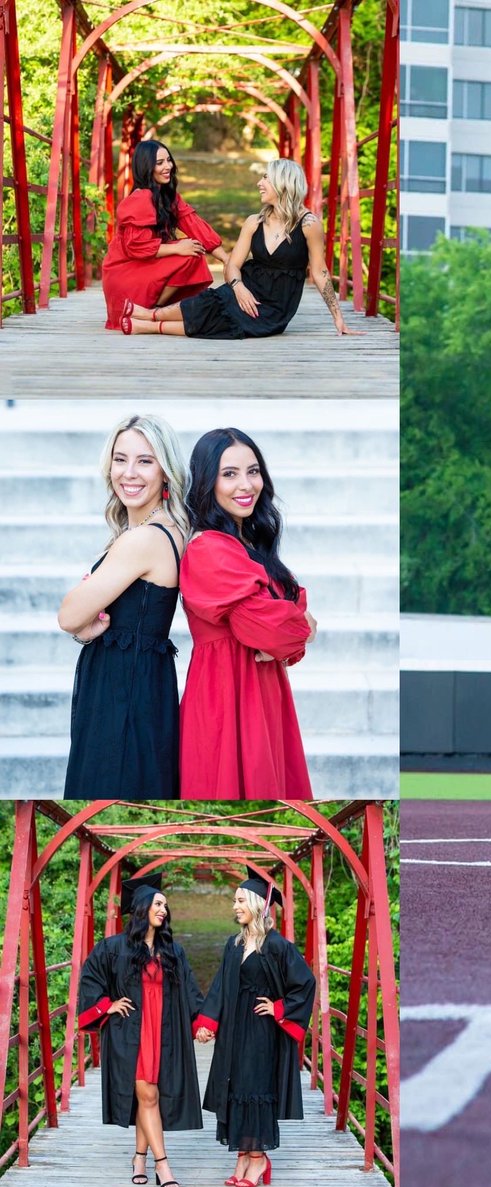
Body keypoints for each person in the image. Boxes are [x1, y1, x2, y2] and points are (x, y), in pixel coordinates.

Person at [178, 427, 317, 799]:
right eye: (229, 474)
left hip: (262, 687)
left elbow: (285, 621)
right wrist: (300, 625)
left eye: (253, 471)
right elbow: (274, 628)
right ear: (207, 482)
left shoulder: (250, 545)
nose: (246, 484)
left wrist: (290, 626)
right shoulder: (208, 548)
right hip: (226, 692)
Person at [58, 414, 188, 799]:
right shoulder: (165, 530)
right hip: (140, 684)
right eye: (120, 459)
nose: (128, 473)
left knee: (109, 782)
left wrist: (82, 621)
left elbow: (68, 615)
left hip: (122, 695)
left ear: (166, 471)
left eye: (145, 461)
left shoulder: (144, 539)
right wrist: (86, 625)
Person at [119, 158, 361, 338]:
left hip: (276, 307)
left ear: (283, 183)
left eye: (266, 178)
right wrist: (239, 288)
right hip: (245, 288)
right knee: (206, 304)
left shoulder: (308, 224)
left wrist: (338, 318)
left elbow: (320, 273)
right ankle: (147, 316)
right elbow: (233, 265)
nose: (259, 183)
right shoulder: (254, 222)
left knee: (225, 325)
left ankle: (147, 322)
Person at [77, 874, 205, 1187]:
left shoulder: (171, 951)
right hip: (130, 1033)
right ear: (142, 907)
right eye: (158, 904)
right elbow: (90, 979)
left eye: (165, 905)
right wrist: (106, 1005)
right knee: (148, 1095)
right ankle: (163, 1165)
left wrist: (201, 1024)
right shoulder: (113, 948)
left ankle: (138, 1158)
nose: (164, 909)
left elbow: (189, 990)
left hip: (164, 1031)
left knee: (149, 1097)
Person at [194, 877, 316, 1187]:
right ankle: (243, 1156)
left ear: (257, 904)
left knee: (254, 1086)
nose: (234, 907)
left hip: (261, 1032)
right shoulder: (233, 945)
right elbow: (220, 987)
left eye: (240, 901)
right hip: (235, 1029)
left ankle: (258, 1156)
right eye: (234, 901)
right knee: (235, 1086)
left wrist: (278, 1008)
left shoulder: (276, 945)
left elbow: (305, 983)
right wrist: (207, 1023)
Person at [102, 139, 227, 330]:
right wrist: (177, 247)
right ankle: (148, 311)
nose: (168, 166)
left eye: (168, 160)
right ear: (146, 166)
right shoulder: (139, 198)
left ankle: (152, 312)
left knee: (192, 249)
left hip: (145, 267)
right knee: (188, 252)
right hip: (126, 271)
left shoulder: (168, 197)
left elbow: (195, 226)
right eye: (159, 163)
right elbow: (136, 247)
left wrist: (227, 260)